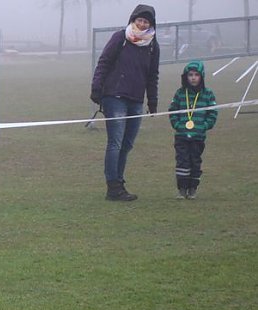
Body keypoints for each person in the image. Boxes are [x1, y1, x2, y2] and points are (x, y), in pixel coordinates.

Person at [90, 4, 160, 201]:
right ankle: (113, 186)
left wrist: (152, 100)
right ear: (133, 19)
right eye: (140, 19)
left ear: (150, 24)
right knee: (116, 142)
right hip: (114, 97)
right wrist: (96, 88)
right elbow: (104, 62)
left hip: (136, 100)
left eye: (146, 21)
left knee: (127, 144)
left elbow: (152, 75)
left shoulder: (153, 46)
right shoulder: (120, 38)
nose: (142, 23)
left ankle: (118, 183)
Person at [168, 60, 217, 200]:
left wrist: (205, 125)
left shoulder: (208, 94)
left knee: (195, 161)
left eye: (196, 75)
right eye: (190, 75)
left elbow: (213, 113)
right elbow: (172, 111)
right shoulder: (179, 93)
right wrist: (177, 125)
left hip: (198, 136)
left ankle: (193, 188)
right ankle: (182, 189)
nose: (193, 77)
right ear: (185, 77)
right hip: (182, 136)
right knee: (182, 161)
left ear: (201, 76)